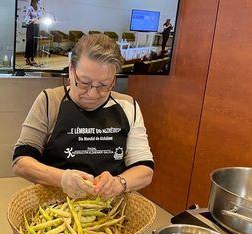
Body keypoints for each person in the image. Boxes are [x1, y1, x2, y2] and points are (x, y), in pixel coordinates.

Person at [12, 34, 153, 199]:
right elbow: (21, 162)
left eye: (103, 85)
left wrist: (119, 182)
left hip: (108, 207)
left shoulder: (128, 106)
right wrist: (63, 178)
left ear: (114, 79)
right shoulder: (50, 101)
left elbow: (145, 169)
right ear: (71, 70)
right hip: (56, 205)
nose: (92, 93)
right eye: (84, 82)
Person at [24, 0, 42, 66]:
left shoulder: (39, 9)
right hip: (31, 26)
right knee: (30, 42)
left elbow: (40, 17)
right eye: (37, 1)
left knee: (35, 42)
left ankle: (32, 58)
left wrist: (39, 19)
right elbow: (26, 19)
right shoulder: (29, 8)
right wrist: (32, 20)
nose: (38, 2)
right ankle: (27, 59)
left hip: (37, 26)